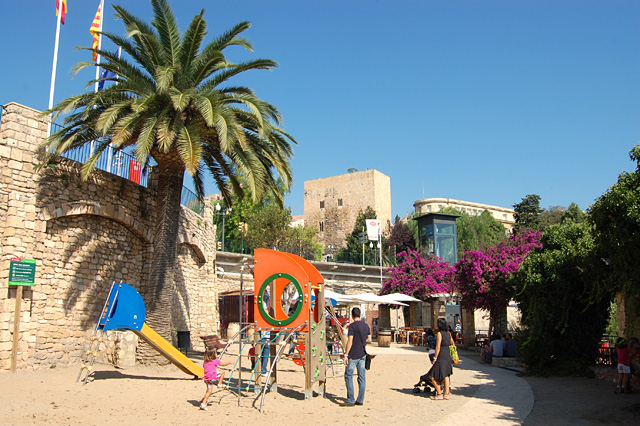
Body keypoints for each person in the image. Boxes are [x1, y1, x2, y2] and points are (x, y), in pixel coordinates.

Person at [342, 307, 372, 407]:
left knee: (348, 375)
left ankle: (351, 399)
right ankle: (360, 399)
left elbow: (350, 340)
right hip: (363, 354)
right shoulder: (366, 326)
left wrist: (346, 354)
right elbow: (369, 340)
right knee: (361, 377)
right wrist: (362, 340)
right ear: (360, 314)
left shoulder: (352, 326)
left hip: (353, 354)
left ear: (352, 315)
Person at [429, 318, 454, 400]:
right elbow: (452, 343)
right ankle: (446, 394)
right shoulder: (449, 333)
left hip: (442, 355)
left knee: (432, 375)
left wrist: (435, 357)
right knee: (446, 374)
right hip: (447, 354)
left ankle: (439, 393)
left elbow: (438, 346)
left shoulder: (440, 333)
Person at [200, 347, 232, 411]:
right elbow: (223, 364)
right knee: (222, 372)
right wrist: (229, 362)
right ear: (213, 355)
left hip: (207, 380)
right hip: (212, 377)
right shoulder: (215, 361)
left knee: (209, 391)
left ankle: (203, 403)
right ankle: (219, 384)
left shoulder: (205, 362)